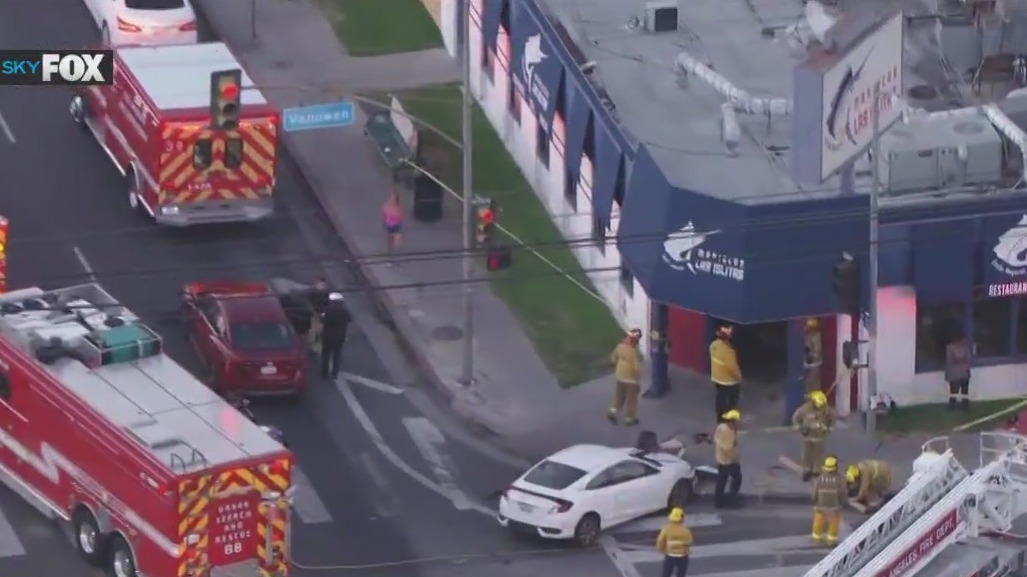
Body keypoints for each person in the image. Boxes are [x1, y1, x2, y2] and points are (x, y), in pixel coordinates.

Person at [791, 391, 837, 481]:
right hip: (808, 435)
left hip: (820, 436)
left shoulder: (825, 409)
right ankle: (806, 470)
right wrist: (799, 426)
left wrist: (830, 427)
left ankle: (817, 470)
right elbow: (796, 418)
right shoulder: (805, 409)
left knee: (819, 454)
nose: (820, 408)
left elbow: (832, 418)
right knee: (807, 454)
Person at [608, 328, 644, 426]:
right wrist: (637, 381)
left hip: (620, 376)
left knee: (619, 396)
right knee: (631, 400)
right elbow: (637, 368)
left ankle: (612, 412)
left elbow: (613, 359)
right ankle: (629, 419)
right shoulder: (634, 352)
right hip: (631, 380)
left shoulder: (620, 347)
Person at [811, 456, 848, 545]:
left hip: (820, 505)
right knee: (833, 524)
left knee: (818, 523)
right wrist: (844, 503)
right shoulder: (840, 479)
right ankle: (831, 540)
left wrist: (815, 501)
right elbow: (842, 493)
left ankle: (816, 538)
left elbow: (815, 492)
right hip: (834, 507)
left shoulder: (820, 478)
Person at [710, 325, 741, 420]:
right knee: (732, 399)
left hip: (716, 377)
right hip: (729, 381)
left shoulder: (713, 345)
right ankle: (728, 417)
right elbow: (732, 369)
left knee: (720, 397)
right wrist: (739, 377)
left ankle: (719, 417)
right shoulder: (728, 352)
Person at [713, 409, 742, 508]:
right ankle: (729, 500)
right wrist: (734, 449)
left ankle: (720, 500)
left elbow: (716, 439)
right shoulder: (727, 431)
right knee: (735, 478)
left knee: (723, 480)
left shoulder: (722, 427)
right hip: (728, 460)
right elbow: (727, 448)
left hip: (722, 458)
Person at [320, 292, 352, 379]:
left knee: (326, 355)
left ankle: (325, 373)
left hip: (327, 336)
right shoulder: (344, 311)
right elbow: (350, 319)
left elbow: (324, 321)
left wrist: (322, 316)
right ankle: (335, 373)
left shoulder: (328, 310)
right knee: (337, 356)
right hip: (340, 336)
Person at [656, 507, 693, 577]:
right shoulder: (685, 530)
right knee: (681, 574)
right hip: (682, 556)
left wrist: (661, 550)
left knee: (666, 573)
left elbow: (660, 541)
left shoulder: (666, 528)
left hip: (670, 555)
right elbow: (689, 541)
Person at [945, 330, 971, 411]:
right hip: (954, 373)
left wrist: (959, 360)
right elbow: (950, 360)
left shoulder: (965, 347)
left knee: (965, 391)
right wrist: (960, 359)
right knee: (953, 391)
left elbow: (968, 359)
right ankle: (952, 406)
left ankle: (965, 406)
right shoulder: (950, 348)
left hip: (964, 372)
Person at [308, 277, 330, 353]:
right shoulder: (313, 293)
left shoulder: (326, 294)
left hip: (323, 314)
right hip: (316, 313)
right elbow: (310, 302)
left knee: (321, 330)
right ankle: (314, 346)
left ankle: (318, 346)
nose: (321, 286)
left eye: (323, 285)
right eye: (319, 284)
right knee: (315, 329)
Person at [803, 319, 823, 395]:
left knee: (814, 381)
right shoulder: (807, 335)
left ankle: (815, 396)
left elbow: (817, 351)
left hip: (815, 363)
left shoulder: (816, 337)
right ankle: (808, 395)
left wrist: (811, 356)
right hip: (808, 362)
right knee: (807, 381)